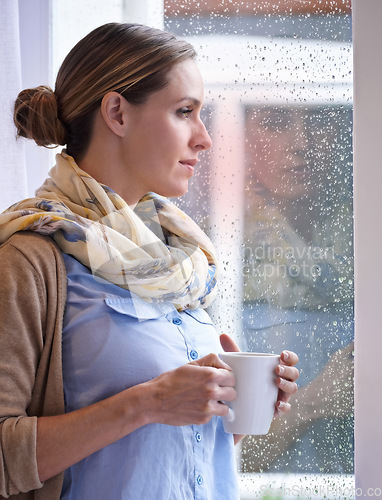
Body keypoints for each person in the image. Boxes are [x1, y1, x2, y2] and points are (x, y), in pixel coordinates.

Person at [0, 23, 299, 500]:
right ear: (117, 112)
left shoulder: (176, 258)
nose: (204, 138)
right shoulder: (29, 259)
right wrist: (149, 402)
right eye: (185, 112)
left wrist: (233, 404)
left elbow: (167, 451)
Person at [241, 106, 354, 473]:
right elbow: (214, 457)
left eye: (320, 120)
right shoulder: (215, 257)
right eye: (276, 122)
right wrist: (314, 401)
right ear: (242, 137)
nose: (301, 144)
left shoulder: (375, 238)